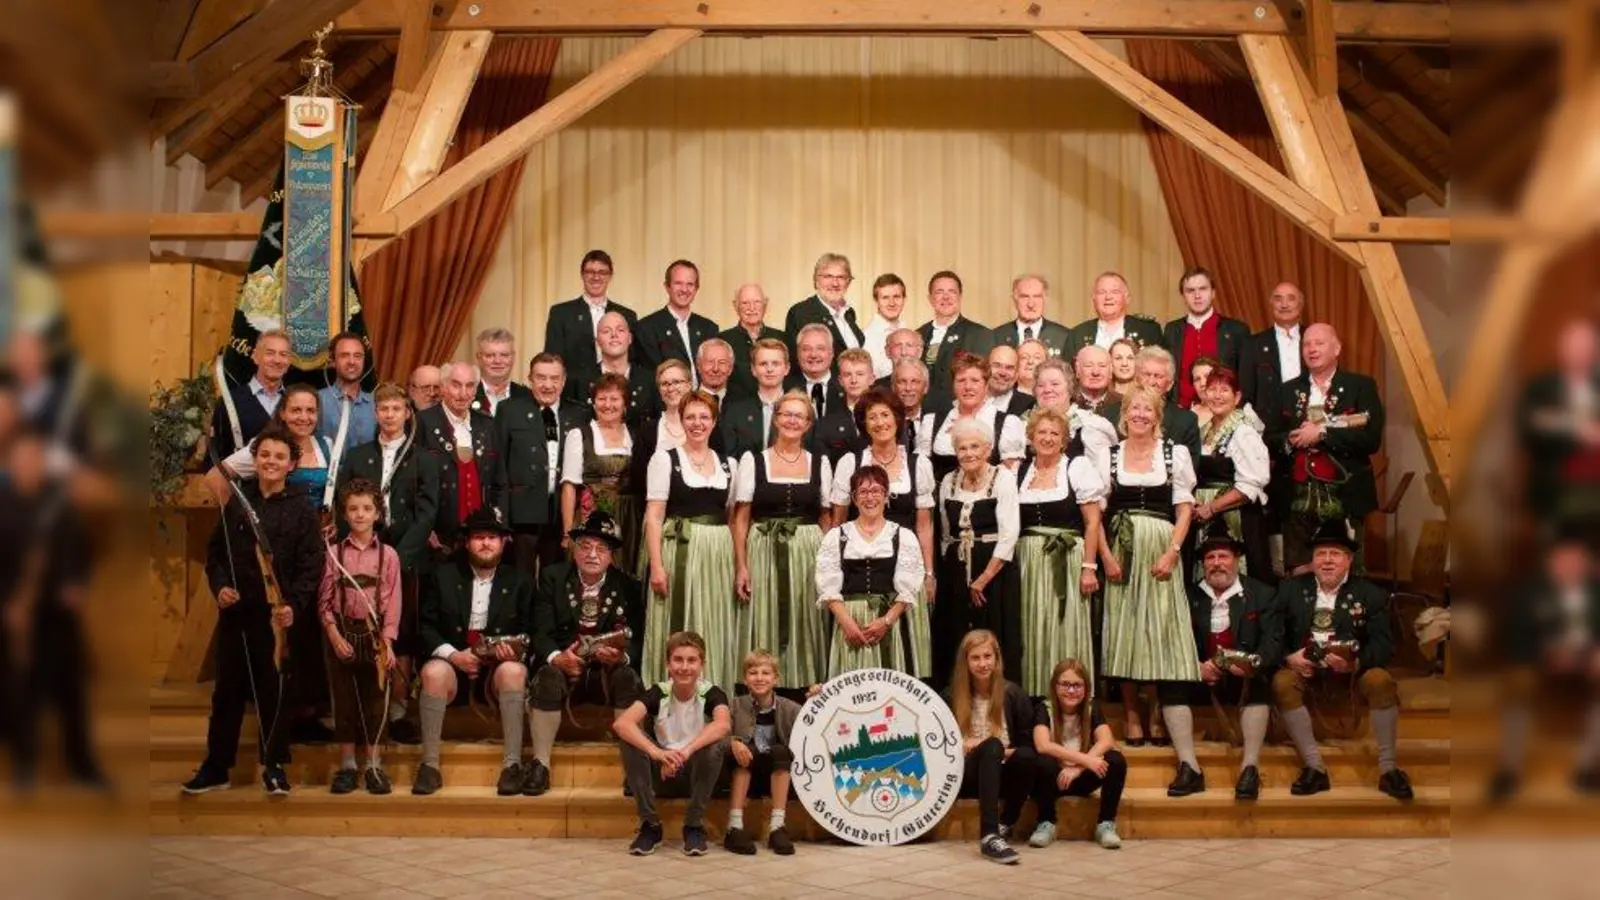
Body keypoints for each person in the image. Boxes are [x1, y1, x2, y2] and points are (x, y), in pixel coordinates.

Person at [181, 427, 322, 797]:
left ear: (291, 464)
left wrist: (294, 607)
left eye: (279, 457)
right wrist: (220, 586)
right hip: (237, 614)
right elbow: (216, 556)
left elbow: (311, 566)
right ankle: (216, 767)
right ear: (254, 460)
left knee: (274, 692)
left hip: (278, 618)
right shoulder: (237, 503)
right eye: (264, 455)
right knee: (226, 692)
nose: (271, 462)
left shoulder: (302, 509)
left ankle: (274, 767)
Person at [1272, 521, 1412, 800]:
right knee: (1282, 682)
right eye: (1321, 554)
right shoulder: (1289, 590)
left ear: (1348, 560)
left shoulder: (1371, 595)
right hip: (1305, 671)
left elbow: (1385, 645)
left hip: (1351, 674)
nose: (1326, 561)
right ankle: (1314, 768)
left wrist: (1355, 663)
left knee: (1381, 680)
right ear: (1311, 560)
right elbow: (1272, 634)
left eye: (1334, 554)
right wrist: (1289, 657)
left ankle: (1388, 769)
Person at [333, 382, 439, 744]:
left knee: (402, 633)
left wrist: (398, 557)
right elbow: (344, 504)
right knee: (365, 628)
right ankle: (367, 705)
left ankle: (397, 711)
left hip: (406, 556)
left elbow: (428, 513)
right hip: (365, 554)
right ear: (375, 413)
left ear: (407, 413)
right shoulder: (359, 455)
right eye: (384, 409)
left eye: (397, 409)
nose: (390, 415)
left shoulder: (424, 458)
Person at [1095, 386, 1200, 746]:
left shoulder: (1175, 454)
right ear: (1124, 415)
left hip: (1160, 546)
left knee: (1157, 628)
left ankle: (1156, 708)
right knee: (1125, 628)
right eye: (1134, 408)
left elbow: (1184, 508)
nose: (1140, 414)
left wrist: (1172, 552)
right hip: (1121, 548)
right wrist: (1105, 556)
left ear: (1158, 417)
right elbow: (1096, 511)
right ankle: (1130, 712)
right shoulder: (1109, 455)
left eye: (1147, 409)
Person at [0, 432, 104, 789]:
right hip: (15, 615)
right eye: (22, 461)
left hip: (58, 612)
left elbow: (81, 553)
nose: (29, 467)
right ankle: (25, 765)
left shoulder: (59, 507)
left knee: (71, 691)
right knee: (23, 693)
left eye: (35, 461)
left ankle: (82, 765)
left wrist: (75, 584)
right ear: (12, 466)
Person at [413, 508, 536, 797]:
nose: (485, 544)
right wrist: (454, 655)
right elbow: (426, 627)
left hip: (497, 669)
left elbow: (531, 633)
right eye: (478, 537)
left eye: (492, 537)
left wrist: (513, 651)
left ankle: (513, 765)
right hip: (454, 663)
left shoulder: (520, 581)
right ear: (466, 542)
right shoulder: (442, 576)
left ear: (503, 542)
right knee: (432, 672)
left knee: (515, 671)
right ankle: (429, 766)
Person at [527, 510, 645, 797]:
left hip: (608, 671)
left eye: (601, 548)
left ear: (611, 555)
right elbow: (540, 632)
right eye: (585, 546)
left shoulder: (628, 586)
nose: (592, 554)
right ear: (575, 550)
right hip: (565, 667)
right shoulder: (552, 578)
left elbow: (640, 639)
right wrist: (558, 657)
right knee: (545, 676)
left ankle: (634, 768)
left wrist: (622, 658)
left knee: (629, 678)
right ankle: (540, 765)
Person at [1161, 527, 1280, 800]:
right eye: (1211, 557)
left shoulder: (1262, 594)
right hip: (1200, 677)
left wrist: (1251, 665)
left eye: (1223, 556)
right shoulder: (1185, 596)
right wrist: (1194, 667)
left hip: (1244, 676)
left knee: (1261, 683)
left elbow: (1273, 643)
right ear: (1203, 564)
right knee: (1171, 684)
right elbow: (1170, 640)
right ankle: (1189, 768)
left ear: (1237, 560)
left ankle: (1250, 768)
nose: (1217, 563)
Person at [830, 392, 937, 676]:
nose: (879, 423)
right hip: (863, 562)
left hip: (904, 567)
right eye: (872, 417)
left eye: (885, 415)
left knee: (905, 657)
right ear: (864, 424)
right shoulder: (849, 463)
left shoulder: (918, 464)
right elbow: (837, 521)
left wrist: (928, 574)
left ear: (898, 420)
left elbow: (924, 524)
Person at [1263, 323, 1383, 575]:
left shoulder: (1360, 386)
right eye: (1306, 344)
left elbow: (1371, 440)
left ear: (1337, 348)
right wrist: (1293, 438)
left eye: (1319, 343)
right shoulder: (1287, 390)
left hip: (1345, 495)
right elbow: (1270, 438)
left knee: (1346, 572)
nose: (1311, 349)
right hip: (1296, 497)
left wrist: (1322, 433)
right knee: (1298, 574)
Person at [733, 391, 831, 688]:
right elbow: (740, 519)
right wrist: (742, 566)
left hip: (808, 550)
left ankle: (803, 686)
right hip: (763, 548)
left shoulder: (820, 463)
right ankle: (763, 688)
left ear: (809, 423)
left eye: (798, 415)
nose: (791, 420)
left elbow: (826, 519)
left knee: (805, 617)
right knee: (764, 616)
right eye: (786, 414)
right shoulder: (754, 461)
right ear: (775, 419)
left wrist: (829, 565)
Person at [1492, 532, 1600, 801]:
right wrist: (1546, 654)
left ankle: (1587, 768)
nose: (1571, 567)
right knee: (1517, 683)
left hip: (1590, 661)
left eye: (1577, 561)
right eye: (1565, 561)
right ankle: (1509, 770)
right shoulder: (1528, 593)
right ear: (1551, 563)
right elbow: (1513, 638)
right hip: (1540, 662)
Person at [642, 392, 738, 689]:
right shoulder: (664, 459)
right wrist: (656, 566)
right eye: (690, 417)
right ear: (681, 420)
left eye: (704, 417)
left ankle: (712, 691)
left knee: (714, 617)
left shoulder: (728, 465)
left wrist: (738, 564)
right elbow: (654, 516)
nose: (697, 423)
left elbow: (732, 518)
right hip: (680, 549)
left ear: (714, 421)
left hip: (718, 553)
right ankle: (665, 694)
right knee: (676, 616)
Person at [613, 630, 731, 856]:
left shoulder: (712, 693)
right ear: (668, 664)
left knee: (716, 745)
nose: (684, 667)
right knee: (629, 740)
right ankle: (650, 825)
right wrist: (658, 753)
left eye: (691, 660)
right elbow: (622, 724)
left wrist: (684, 752)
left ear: (701, 665)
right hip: (662, 771)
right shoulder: (659, 691)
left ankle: (694, 824)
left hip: (696, 772)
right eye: (678, 660)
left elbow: (723, 724)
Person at [318, 478, 401, 795]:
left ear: (378, 513)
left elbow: (394, 603)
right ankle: (348, 766)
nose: (360, 514)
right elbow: (323, 601)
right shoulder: (333, 553)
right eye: (353, 509)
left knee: (376, 703)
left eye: (367, 508)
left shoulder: (389, 556)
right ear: (344, 514)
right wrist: (334, 635)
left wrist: (388, 642)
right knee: (345, 702)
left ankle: (374, 767)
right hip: (342, 632)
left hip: (375, 637)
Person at [1014, 409, 1105, 695]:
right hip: (1028, 560)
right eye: (1041, 432)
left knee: (1065, 626)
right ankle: (1035, 695)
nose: (1048, 438)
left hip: (1067, 557)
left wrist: (1089, 567)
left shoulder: (1076, 467)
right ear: (1031, 438)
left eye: (1055, 434)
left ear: (1065, 440)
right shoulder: (1018, 472)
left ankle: (1071, 697)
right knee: (1032, 625)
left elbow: (1092, 522)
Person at [934, 420, 1022, 689]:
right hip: (956, 569)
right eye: (962, 448)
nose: (969, 453)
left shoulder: (1002, 478)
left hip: (993, 570)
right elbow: (945, 533)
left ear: (988, 449)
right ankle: (957, 699)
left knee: (994, 631)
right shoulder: (949, 481)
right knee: (956, 632)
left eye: (975, 446)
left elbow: (1009, 534)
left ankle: (999, 702)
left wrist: (983, 579)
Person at [816, 464, 926, 676]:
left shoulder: (903, 536)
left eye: (876, 491)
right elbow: (828, 587)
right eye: (863, 492)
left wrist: (886, 621)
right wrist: (847, 623)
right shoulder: (836, 536)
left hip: (888, 623)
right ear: (854, 499)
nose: (870, 498)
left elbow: (908, 589)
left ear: (886, 496)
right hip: (849, 622)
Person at [947, 629, 1035, 865]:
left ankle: (1005, 823)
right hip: (968, 772)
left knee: (1026, 756)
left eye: (988, 656)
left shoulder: (1013, 694)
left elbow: (1027, 745)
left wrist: (994, 750)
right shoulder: (951, 696)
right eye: (975, 658)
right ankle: (989, 835)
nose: (983, 664)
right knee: (992, 746)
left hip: (1003, 770)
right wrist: (976, 746)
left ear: (997, 659)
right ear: (965, 661)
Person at [498, 352, 590, 575]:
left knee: (557, 579)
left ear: (564, 381)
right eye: (541, 378)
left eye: (554, 378)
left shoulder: (578, 414)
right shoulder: (510, 410)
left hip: (561, 516)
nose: (548, 385)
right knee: (520, 581)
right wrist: (501, 516)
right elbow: (498, 466)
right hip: (521, 516)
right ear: (530, 378)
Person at [1029, 658, 1125, 849]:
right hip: (1053, 779)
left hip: (1080, 778)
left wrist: (1079, 768)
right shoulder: (1043, 708)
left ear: (1086, 687)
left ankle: (1105, 824)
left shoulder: (1091, 708)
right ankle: (1046, 822)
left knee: (1116, 760)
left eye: (1077, 685)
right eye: (1065, 684)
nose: (1071, 691)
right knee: (1043, 762)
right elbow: (1043, 745)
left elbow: (1107, 740)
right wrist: (1085, 760)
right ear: (1055, 686)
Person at [417, 362, 507, 560]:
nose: (463, 393)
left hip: (479, 535)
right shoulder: (422, 422)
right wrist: (424, 528)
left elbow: (499, 481)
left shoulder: (487, 424)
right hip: (438, 534)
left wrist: (499, 524)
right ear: (443, 386)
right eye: (456, 385)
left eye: (470, 386)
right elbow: (412, 484)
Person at [1517, 318, 1600, 530]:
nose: (1582, 352)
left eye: (1588, 345)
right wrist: (1576, 431)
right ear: (1562, 348)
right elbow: (1528, 430)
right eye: (1575, 345)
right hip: (1557, 491)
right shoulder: (1540, 387)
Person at [1192, 367, 1272, 583]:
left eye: (1224, 390)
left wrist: (1211, 507)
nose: (1217, 396)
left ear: (1237, 396)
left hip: (1235, 519)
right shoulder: (1204, 429)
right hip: (1205, 519)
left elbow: (1251, 485)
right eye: (1212, 389)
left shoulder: (1244, 432)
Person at [206, 383, 337, 514]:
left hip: (316, 531)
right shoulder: (265, 446)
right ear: (282, 413)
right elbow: (215, 477)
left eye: (310, 411)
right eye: (296, 410)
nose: (304, 417)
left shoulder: (326, 444)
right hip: (277, 530)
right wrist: (243, 518)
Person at [722, 650, 801, 856]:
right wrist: (733, 741)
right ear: (745, 679)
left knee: (781, 751)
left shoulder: (791, 708)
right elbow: (716, 732)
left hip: (776, 773)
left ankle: (777, 827)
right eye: (753, 672)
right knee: (744, 751)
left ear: (776, 679)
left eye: (766, 673)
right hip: (744, 769)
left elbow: (810, 730)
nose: (759, 678)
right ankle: (735, 826)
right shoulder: (734, 705)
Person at [561, 373, 641, 566]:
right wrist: (567, 532)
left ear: (625, 404)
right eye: (601, 399)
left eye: (614, 399)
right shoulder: (580, 435)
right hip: (593, 514)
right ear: (594, 403)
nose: (607, 404)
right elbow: (569, 486)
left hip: (629, 517)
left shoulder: (636, 436)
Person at [917, 352, 1026, 486]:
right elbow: (922, 473)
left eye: (975, 381)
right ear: (953, 385)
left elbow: (1009, 478)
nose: (968, 387)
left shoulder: (1006, 423)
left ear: (986, 386)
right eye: (961, 380)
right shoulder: (933, 422)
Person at [544, 249, 638, 388]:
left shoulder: (627, 315)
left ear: (610, 276)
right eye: (590, 272)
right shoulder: (561, 313)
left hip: (618, 391)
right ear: (582, 275)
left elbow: (634, 359)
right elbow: (552, 360)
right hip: (574, 391)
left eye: (602, 272)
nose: (596, 277)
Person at [1161, 267, 1250, 408]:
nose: (1197, 295)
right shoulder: (1172, 330)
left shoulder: (1236, 330)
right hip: (1182, 412)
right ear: (1183, 296)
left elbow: (1246, 379)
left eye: (1203, 289)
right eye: (1190, 291)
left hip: (1225, 413)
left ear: (1213, 293)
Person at [1101, 346, 1203, 463]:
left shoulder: (1186, 421)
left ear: (1170, 384)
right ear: (1136, 379)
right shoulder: (1111, 414)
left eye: (1158, 376)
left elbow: (1190, 470)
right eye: (1147, 374)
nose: (1151, 382)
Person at [210, 328, 289, 461]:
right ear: (255, 357)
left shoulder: (294, 402)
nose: (277, 360)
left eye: (283, 354)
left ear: (289, 361)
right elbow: (215, 457)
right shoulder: (230, 402)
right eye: (270, 353)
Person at [564, 310, 655, 425]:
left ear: (630, 338)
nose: (614, 335)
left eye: (620, 330)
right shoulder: (579, 382)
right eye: (606, 331)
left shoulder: (650, 380)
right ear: (597, 341)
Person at [635, 260, 719, 380]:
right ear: (667, 286)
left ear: (696, 289)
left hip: (705, 398)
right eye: (678, 283)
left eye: (690, 284)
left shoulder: (709, 328)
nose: (684, 289)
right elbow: (653, 376)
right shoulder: (647, 328)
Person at [918, 270, 995, 396]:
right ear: (930, 298)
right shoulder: (918, 335)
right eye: (939, 292)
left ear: (960, 296)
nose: (946, 297)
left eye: (952, 292)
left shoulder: (980, 335)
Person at [1239, 281, 1304, 426]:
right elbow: (1246, 393)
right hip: (1268, 428)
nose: (1284, 304)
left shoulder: (1314, 339)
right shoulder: (1253, 344)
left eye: (1291, 298)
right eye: (1278, 299)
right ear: (1271, 305)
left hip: (1311, 423)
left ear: (1300, 305)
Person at [1031, 357, 1117, 462]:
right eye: (1041, 385)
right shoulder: (1023, 424)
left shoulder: (1091, 425)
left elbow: (1102, 474)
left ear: (1070, 388)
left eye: (1055, 384)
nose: (1047, 390)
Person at [784, 252, 865, 364]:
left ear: (848, 282)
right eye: (828, 276)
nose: (835, 283)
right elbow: (794, 361)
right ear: (816, 280)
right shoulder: (800, 313)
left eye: (841, 277)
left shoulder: (848, 313)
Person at [719, 338, 790, 460]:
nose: (769, 369)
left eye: (776, 364)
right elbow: (730, 458)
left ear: (787, 369)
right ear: (753, 369)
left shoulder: (800, 409)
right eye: (763, 364)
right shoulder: (735, 412)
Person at [718, 283, 786, 403]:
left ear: (765, 304)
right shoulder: (722, 341)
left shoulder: (782, 338)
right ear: (735, 306)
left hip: (776, 407)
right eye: (745, 303)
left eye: (757, 302)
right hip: (736, 410)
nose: (752, 308)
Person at [1068, 272, 1162, 355]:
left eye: (1115, 292)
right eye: (1102, 292)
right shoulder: (1077, 335)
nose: (1108, 297)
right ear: (1093, 298)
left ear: (1127, 298)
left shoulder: (1148, 331)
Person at [316, 331, 376, 454]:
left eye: (358, 356)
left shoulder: (375, 404)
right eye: (344, 355)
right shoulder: (317, 401)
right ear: (332, 360)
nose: (352, 362)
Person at [810, 348, 873, 463]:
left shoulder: (889, 417)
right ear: (840, 380)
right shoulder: (825, 424)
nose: (854, 380)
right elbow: (823, 468)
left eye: (860, 374)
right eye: (847, 375)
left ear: (872, 378)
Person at [993, 274, 1072, 358]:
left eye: (1037, 297)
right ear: (1014, 299)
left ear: (1045, 299)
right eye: (1024, 297)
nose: (1031, 304)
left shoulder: (1063, 336)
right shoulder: (996, 336)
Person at [876, 328, 949, 411]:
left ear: (920, 352)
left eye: (909, 345)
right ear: (887, 352)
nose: (904, 352)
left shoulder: (939, 392)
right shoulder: (876, 390)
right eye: (897, 346)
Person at [785, 323, 845, 421]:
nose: (813, 354)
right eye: (806, 349)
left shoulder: (846, 388)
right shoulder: (784, 389)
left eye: (820, 348)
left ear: (832, 353)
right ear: (797, 353)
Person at [473, 327, 532, 416]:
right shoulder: (466, 395)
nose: (497, 361)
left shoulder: (528, 397)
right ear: (479, 357)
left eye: (504, 355)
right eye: (490, 356)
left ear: (513, 357)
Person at [863, 274, 910, 380]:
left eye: (896, 297)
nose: (891, 303)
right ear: (876, 301)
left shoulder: (909, 331)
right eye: (885, 298)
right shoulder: (866, 339)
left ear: (904, 299)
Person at [892, 359, 933, 455]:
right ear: (893, 387)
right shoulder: (884, 423)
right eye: (902, 381)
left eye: (915, 382)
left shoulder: (936, 421)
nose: (908, 388)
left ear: (926, 387)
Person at [986, 345, 1035, 418]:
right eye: (997, 365)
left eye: (1009, 368)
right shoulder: (970, 399)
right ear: (985, 368)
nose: (1002, 373)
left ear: (1016, 374)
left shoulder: (1030, 406)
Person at [1074, 345, 1117, 417]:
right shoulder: (1067, 403)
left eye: (1102, 366)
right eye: (1088, 366)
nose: (1095, 372)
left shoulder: (1124, 405)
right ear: (1077, 370)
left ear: (1110, 371)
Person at [694, 337, 736, 405]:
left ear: (730, 368)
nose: (715, 369)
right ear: (698, 366)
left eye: (722, 362)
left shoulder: (744, 403)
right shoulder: (687, 402)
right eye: (710, 362)